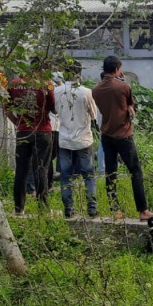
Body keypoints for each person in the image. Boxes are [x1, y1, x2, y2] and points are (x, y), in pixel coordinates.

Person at [92, 56, 153, 221]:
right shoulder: (123, 86)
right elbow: (130, 106)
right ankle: (143, 210)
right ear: (117, 69)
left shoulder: (96, 89)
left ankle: (115, 209)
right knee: (135, 171)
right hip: (123, 135)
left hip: (106, 135)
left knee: (111, 173)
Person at [4, 59, 56, 215]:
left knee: (21, 170)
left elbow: (6, 108)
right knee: (41, 168)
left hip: (23, 131)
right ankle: (44, 209)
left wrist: (18, 122)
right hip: (43, 131)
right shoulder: (47, 84)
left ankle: (18, 209)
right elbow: (54, 109)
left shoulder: (13, 84)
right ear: (43, 70)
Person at [54, 61, 98, 218]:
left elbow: (54, 110)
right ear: (79, 74)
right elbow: (93, 115)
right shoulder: (86, 92)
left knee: (65, 176)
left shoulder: (57, 91)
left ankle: (69, 210)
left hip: (64, 139)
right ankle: (92, 209)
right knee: (89, 175)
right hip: (84, 139)